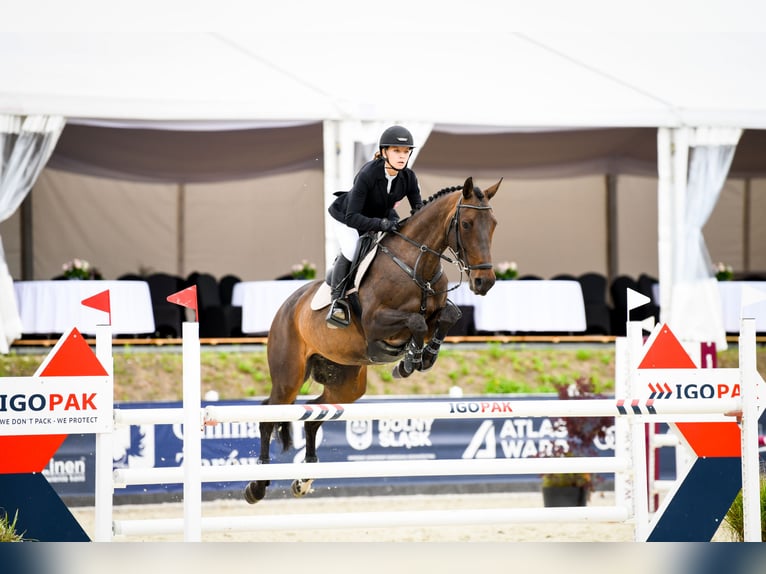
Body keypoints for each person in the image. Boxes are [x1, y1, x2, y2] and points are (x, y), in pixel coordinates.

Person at [325, 125, 424, 328]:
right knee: (353, 250)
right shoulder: (368, 174)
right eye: (396, 150)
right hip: (346, 218)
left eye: (406, 152)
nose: (402, 156)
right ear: (385, 151)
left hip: (379, 217)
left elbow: (418, 211)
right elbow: (353, 217)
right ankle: (337, 301)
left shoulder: (409, 177)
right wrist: (382, 224)